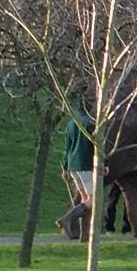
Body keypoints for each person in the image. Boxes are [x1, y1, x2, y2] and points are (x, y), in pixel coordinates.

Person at [56, 103, 95, 240]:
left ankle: (84, 235)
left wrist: (65, 167)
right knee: (93, 200)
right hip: (86, 165)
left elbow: (67, 148)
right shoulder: (91, 124)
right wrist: (105, 163)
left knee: (84, 199)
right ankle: (67, 219)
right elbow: (96, 146)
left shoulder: (70, 124)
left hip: (73, 166)